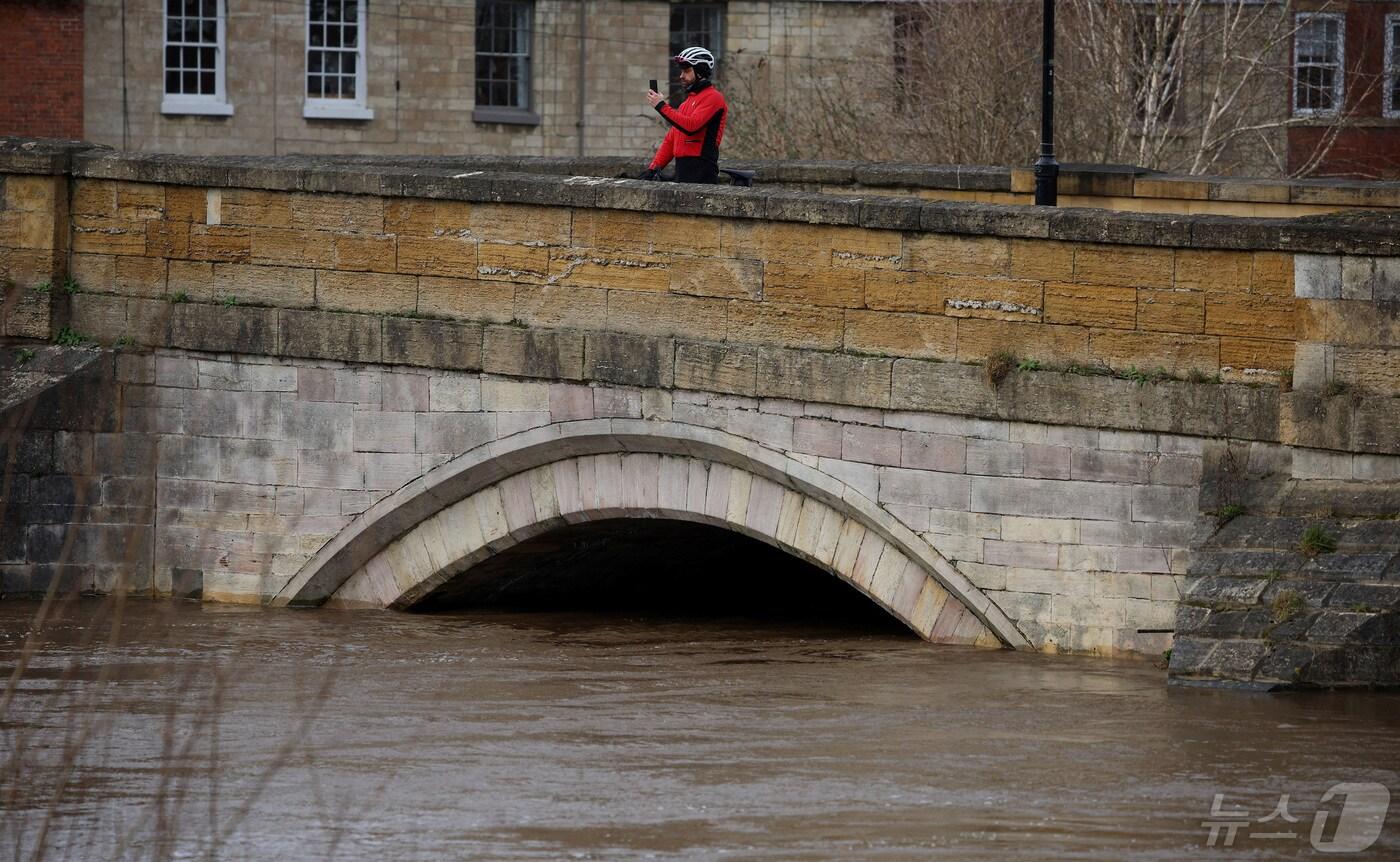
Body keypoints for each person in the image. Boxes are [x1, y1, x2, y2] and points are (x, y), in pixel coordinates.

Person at [641, 47, 727, 184]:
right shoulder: (685, 104)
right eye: (682, 71)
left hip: (702, 171)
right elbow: (671, 140)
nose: (681, 76)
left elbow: (691, 126)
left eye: (686, 71)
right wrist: (653, 169)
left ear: (700, 72)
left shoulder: (714, 98)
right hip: (682, 170)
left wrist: (661, 105)